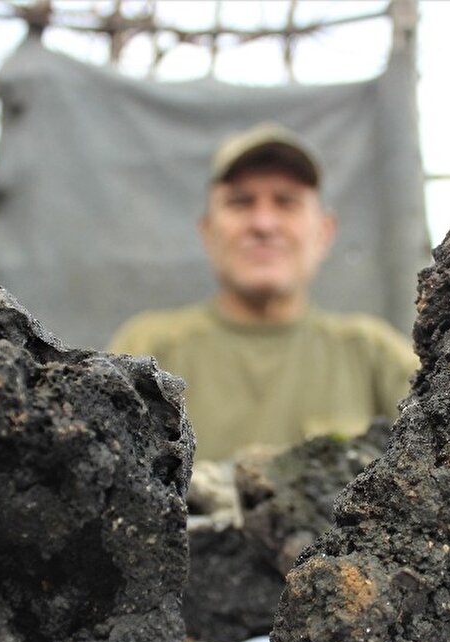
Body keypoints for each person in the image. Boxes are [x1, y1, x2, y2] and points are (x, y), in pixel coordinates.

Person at [108, 122, 418, 462]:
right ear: (207, 231)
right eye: (240, 202)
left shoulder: (375, 356)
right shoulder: (149, 350)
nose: (263, 224)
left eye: (287, 203)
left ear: (324, 232)